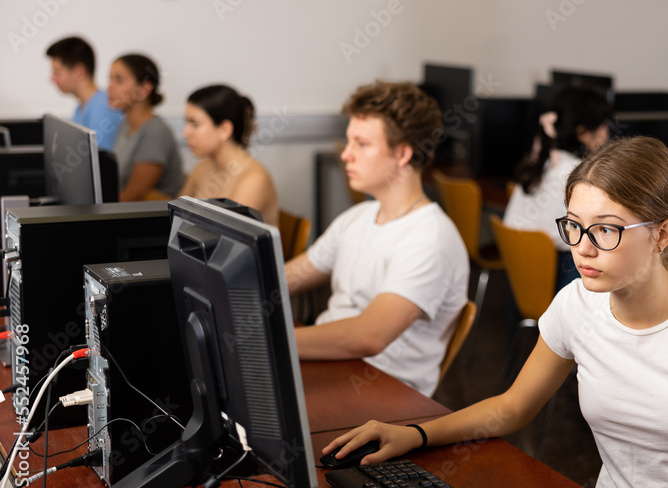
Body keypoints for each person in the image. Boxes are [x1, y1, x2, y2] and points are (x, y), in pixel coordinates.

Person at [325, 136, 668, 488]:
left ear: (662, 234)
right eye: (574, 227)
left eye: (606, 231)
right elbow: (514, 407)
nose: (582, 248)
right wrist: (417, 433)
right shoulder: (577, 304)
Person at [284, 81, 468, 398]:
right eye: (348, 142)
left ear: (403, 153)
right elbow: (286, 279)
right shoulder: (358, 217)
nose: (345, 154)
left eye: (361, 144)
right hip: (336, 367)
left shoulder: (429, 238)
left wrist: (271, 342)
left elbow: (369, 336)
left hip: (383, 394)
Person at [504, 86, 613, 290]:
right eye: (603, 125)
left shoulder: (536, 163)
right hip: (556, 277)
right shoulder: (581, 175)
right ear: (582, 132)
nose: (606, 134)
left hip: (522, 277)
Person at [179, 85, 279, 227]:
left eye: (194, 124)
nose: (185, 133)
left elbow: (227, 241)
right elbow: (176, 218)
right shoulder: (201, 168)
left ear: (225, 129)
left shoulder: (254, 179)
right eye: (186, 123)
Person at [108, 53, 185, 201]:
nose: (110, 87)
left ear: (144, 90)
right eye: (110, 79)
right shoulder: (125, 125)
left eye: (118, 80)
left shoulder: (155, 133)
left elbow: (133, 197)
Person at [46, 37, 123, 151]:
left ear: (79, 71)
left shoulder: (102, 108)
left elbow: (100, 163)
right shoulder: (81, 108)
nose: (52, 79)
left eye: (57, 72)